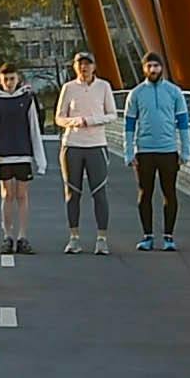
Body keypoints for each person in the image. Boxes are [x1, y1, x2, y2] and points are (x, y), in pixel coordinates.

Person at [122, 53, 190, 248]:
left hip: (168, 150)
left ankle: (168, 237)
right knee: (145, 193)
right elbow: (128, 125)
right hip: (144, 151)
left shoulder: (174, 92)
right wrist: (129, 152)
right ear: (144, 69)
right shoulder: (136, 94)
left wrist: (186, 151)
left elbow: (184, 124)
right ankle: (147, 236)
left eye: (156, 66)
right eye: (149, 66)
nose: (153, 70)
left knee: (169, 193)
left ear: (162, 68)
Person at [52, 50, 121, 254]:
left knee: (99, 192)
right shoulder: (69, 88)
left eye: (88, 64)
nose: (84, 68)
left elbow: (112, 115)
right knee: (73, 193)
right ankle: (74, 237)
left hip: (96, 145)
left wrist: (91, 120)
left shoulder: (104, 86)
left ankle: (101, 238)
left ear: (94, 67)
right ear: (75, 67)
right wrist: (74, 121)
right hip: (73, 144)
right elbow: (58, 117)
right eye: (80, 64)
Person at [0, 62, 42, 256]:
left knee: (22, 195)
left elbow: (34, 129)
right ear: (0, 81)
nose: (9, 82)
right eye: (6, 79)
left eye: (12, 79)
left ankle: (23, 236)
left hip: (23, 153)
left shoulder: (27, 100)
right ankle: (7, 235)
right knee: (7, 195)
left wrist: (39, 159)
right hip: (4, 155)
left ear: (18, 79)